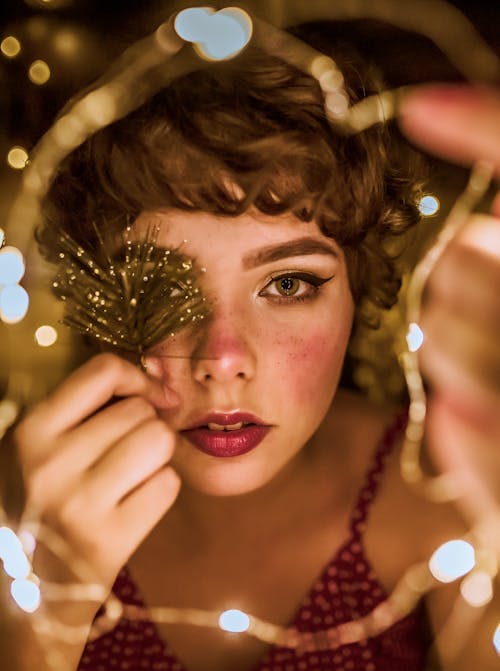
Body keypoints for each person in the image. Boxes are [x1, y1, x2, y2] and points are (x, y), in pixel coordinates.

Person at [9, 21, 500, 671]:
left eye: (289, 282)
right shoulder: (22, 511)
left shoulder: (448, 499)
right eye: (161, 283)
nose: (222, 358)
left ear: (358, 286)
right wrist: (42, 622)